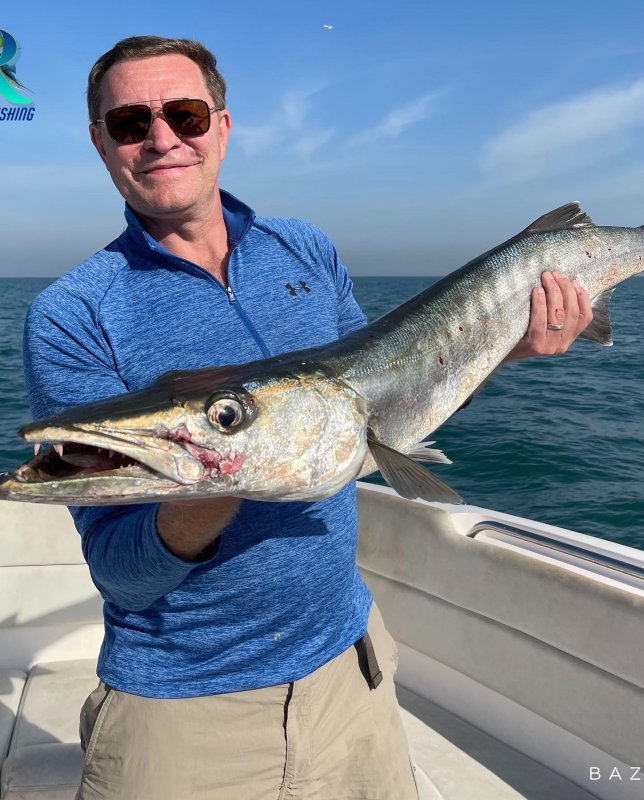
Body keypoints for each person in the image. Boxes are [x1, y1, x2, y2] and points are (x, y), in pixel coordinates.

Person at [22, 36, 592, 800]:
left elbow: (385, 402)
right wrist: (218, 475)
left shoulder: (304, 249)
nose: (161, 138)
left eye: (185, 115)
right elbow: (122, 573)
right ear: (100, 142)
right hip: (184, 709)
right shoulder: (73, 314)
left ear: (222, 127)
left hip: (350, 668)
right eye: (131, 123)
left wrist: (504, 346)